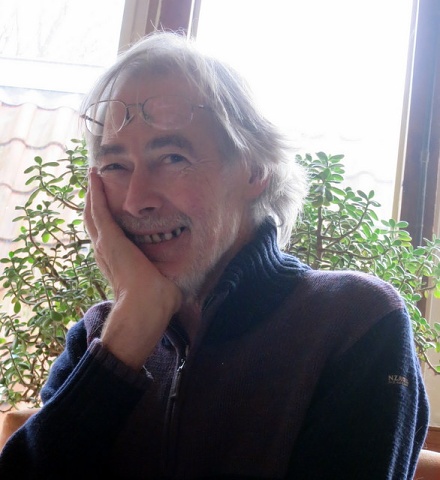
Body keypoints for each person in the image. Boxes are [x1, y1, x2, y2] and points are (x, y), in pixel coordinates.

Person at [0, 31, 429, 479]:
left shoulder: (354, 324)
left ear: (256, 170)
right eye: (115, 166)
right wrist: (121, 351)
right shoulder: (98, 339)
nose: (136, 200)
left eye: (173, 157)